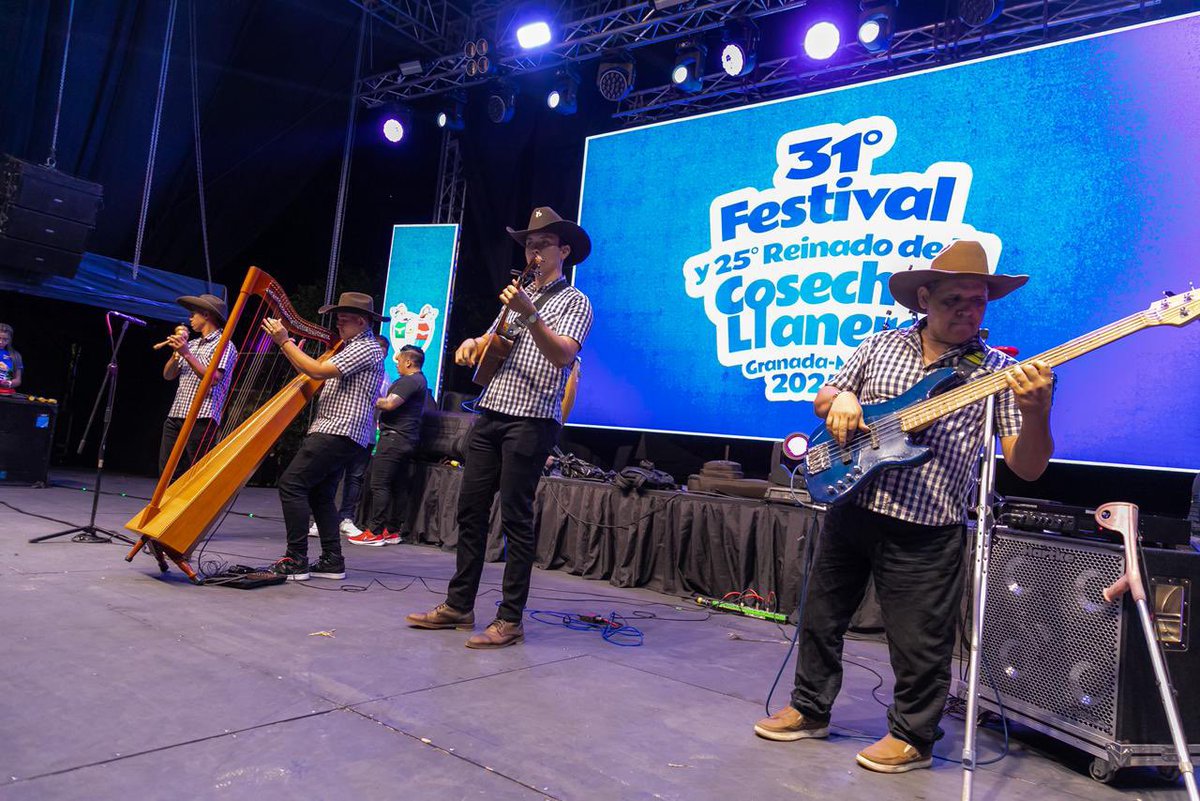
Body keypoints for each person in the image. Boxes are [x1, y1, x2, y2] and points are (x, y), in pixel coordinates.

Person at [754, 240, 1055, 773]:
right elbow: (825, 398)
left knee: (920, 643)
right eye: (954, 300)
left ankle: (914, 737)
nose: (968, 311)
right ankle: (809, 708)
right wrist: (842, 399)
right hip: (853, 504)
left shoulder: (998, 374)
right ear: (924, 298)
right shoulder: (879, 345)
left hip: (927, 525)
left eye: (978, 301)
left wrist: (1036, 413)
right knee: (821, 618)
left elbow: (1028, 466)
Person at [407, 206, 594, 648]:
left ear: (564, 251)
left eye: (543, 244)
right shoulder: (519, 295)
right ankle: (459, 606)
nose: (533, 251)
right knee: (469, 511)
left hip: (531, 419)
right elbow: (493, 338)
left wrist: (530, 314)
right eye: (529, 244)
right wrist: (473, 342)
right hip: (491, 412)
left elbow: (563, 355)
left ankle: (510, 619)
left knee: (515, 518)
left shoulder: (575, 301)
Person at [264, 292, 387, 582]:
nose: (338, 326)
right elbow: (312, 373)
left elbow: (317, 371)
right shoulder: (352, 347)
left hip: (338, 429)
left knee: (292, 484)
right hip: (342, 431)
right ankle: (333, 560)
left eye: (343, 320)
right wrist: (289, 349)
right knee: (320, 494)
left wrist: (284, 341)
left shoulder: (366, 347)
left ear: (361, 321)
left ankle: (296, 559)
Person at [348, 344, 428, 546]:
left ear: (408, 362)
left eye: (399, 361)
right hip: (406, 439)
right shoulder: (420, 380)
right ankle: (392, 530)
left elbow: (389, 404)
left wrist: (364, 395)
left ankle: (374, 532)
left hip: (394, 439)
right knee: (397, 485)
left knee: (379, 484)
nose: (397, 364)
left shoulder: (410, 381)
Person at [159, 295, 237, 479]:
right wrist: (176, 353)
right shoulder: (192, 345)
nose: (190, 318)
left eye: (193, 314)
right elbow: (168, 375)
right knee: (167, 473)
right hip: (177, 414)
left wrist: (186, 354)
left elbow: (214, 379)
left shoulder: (225, 345)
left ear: (206, 315)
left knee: (196, 474)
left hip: (202, 418)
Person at [0, 323, 24, 392]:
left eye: (5, 339)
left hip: (6, 393)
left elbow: (18, 380)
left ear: (9, 340)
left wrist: (9, 383)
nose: (1, 342)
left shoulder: (15, 355)